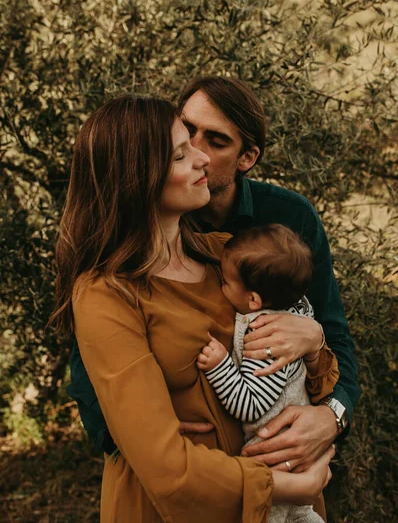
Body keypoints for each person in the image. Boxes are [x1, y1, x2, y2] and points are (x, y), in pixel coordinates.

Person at [67, 76, 359, 514]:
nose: (201, 156)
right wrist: (127, 434)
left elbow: (328, 339)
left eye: (214, 142)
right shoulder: (107, 291)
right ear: (139, 176)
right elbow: (100, 377)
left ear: (247, 158)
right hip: (189, 502)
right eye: (184, 147)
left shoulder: (227, 254)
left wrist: (317, 355)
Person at [197, 224, 340, 523]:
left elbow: (250, 405)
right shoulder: (297, 313)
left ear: (253, 301)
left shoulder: (267, 338)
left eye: (225, 282)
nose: (221, 287)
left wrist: (220, 365)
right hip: (296, 455)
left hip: (275, 456)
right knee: (303, 515)